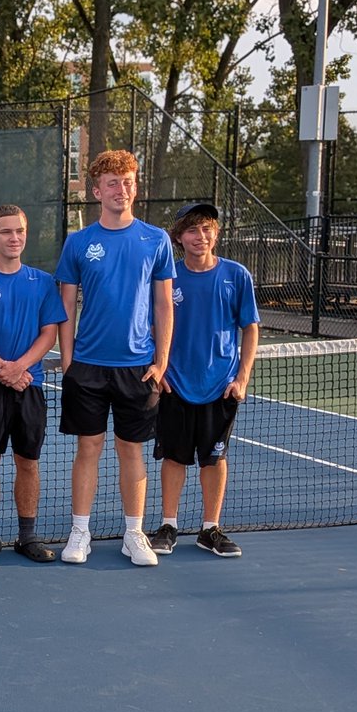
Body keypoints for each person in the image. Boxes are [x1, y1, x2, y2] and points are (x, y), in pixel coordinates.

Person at [54, 149, 175, 567]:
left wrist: (160, 361)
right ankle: (80, 532)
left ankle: (133, 532)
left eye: (127, 182)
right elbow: (65, 306)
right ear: (96, 191)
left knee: (131, 451)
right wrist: (68, 360)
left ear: (135, 187)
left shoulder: (156, 239)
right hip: (87, 366)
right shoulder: (79, 242)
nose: (120, 189)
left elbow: (164, 306)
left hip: (138, 368)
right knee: (88, 448)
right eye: (112, 182)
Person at [147, 202, 259, 558]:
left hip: (220, 386)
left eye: (208, 228)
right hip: (175, 385)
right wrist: (158, 367)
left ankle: (210, 528)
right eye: (192, 230)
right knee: (175, 458)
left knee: (214, 459)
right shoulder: (167, 278)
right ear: (179, 237)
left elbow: (250, 329)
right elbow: (152, 326)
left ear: (217, 233)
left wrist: (242, 378)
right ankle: (168, 525)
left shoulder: (236, 275)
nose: (201, 236)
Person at [0, 205, 67, 564]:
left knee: (28, 462)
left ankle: (27, 536)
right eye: (6, 231)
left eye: (20, 231)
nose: (14, 238)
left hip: (30, 385)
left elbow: (49, 333)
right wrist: (0, 368)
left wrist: (20, 367)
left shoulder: (41, 282)